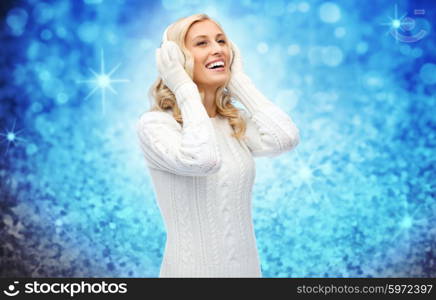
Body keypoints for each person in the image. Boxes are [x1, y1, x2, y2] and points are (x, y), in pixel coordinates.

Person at [136, 13, 300, 278]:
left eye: (222, 41)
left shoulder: (232, 123)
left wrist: (239, 82)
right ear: (176, 59)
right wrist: (182, 86)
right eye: (202, 43)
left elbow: (286, 138)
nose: (217, 50)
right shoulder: (156, 126)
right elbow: (203, 160)